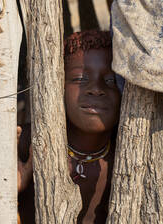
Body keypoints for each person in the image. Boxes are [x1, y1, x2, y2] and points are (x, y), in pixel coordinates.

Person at [17, 30, 121, 224]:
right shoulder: (25, 146)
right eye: (80, 79)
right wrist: (7, 192)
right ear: (57, 85)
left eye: (111, 80)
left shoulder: (126, 159)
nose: (96, 89)